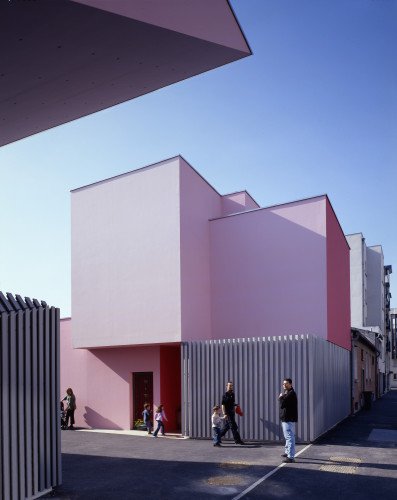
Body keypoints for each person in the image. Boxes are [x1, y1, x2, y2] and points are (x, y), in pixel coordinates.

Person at [279, 378, 298, 463]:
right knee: (287, 436)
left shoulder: (290, 394)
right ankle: (287, 452)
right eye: (284, 384)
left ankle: (291, 457)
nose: (284, 385)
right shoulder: (288, 393)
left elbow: (282, 405)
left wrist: (280, 398)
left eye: (286, 383)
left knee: (289, 437)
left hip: (287, 418)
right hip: (285, 418)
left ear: (291, 384)